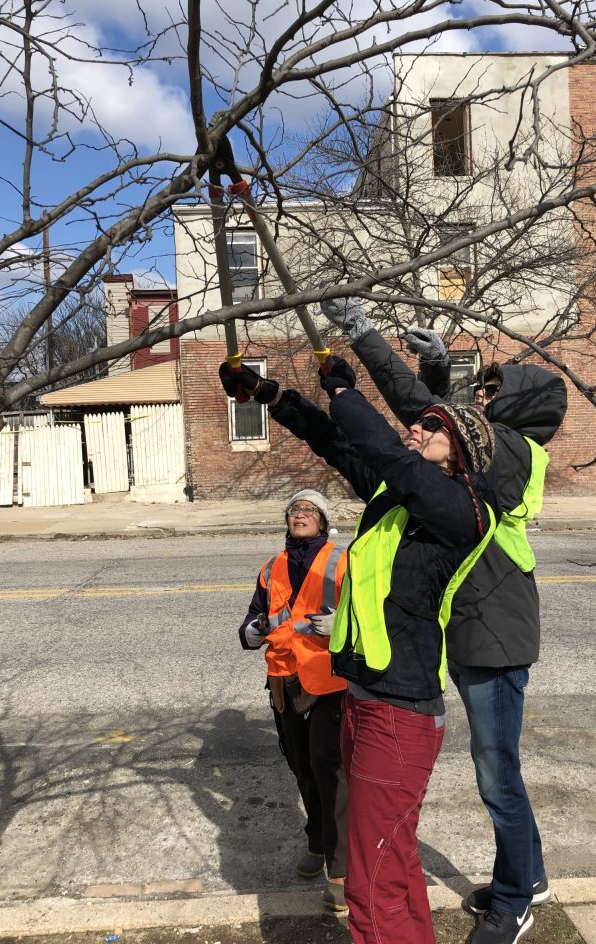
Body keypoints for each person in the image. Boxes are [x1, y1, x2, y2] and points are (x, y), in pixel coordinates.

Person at [221, 356, 500, 944]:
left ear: (462, 451)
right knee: (390, 861)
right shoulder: (396, 501)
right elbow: (337, 445)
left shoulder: (465, 512)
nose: (415, 429)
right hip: (364, 696)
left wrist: (346, 390)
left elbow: (386, 453)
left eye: (431, 426)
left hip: (401, 713)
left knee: (369, 878)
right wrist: (273, 395)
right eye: (416, 423)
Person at [320, 297, 567, 944]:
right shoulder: (489, 441)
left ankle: (517, 898)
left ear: (519, 410)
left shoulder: (514, 450)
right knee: (475, 777)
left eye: (489, 391)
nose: (476, 396)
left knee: (495, 771)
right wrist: (434, 377)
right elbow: (432, 426)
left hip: (492, 628)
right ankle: (529, 875)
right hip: (449, 628)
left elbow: (428, 432)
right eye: (476, 387)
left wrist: (367, 338)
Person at [238, 488, 348, 911]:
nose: (300, 515)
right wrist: (252, 629)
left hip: (329, 680)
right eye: (294, 510)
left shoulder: (342, 561)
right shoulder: (272, 567)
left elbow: (369, 611)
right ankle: (317, 843)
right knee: (302, 768)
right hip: (284, 680)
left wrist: (342, 624)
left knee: (331, 771)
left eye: (308, 510)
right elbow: (251, 620)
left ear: (322, 519)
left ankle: (341, 870)